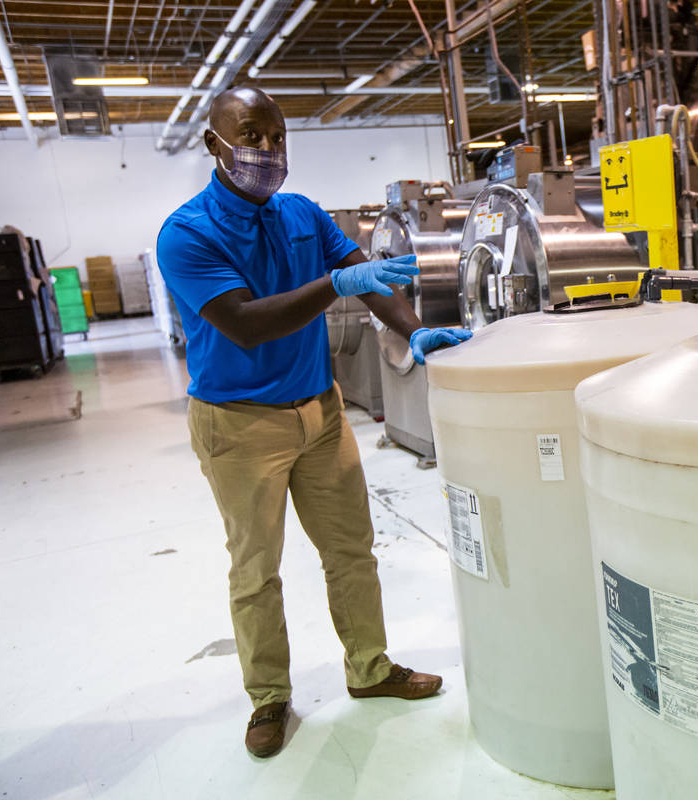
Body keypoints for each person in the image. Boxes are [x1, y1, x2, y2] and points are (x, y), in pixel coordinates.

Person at [156, 86, 472, 759]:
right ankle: (268, 696)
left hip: (320, 415)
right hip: (239, 426)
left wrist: (415, 332)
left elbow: (367, 274)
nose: (268, 151)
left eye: (277, 137)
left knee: (351, 550)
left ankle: (369, 668)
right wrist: (335, 287)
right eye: (251, 136)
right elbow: (244, 324)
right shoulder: (186, 234)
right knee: (256, 569)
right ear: (214, 144)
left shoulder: (300, 213)